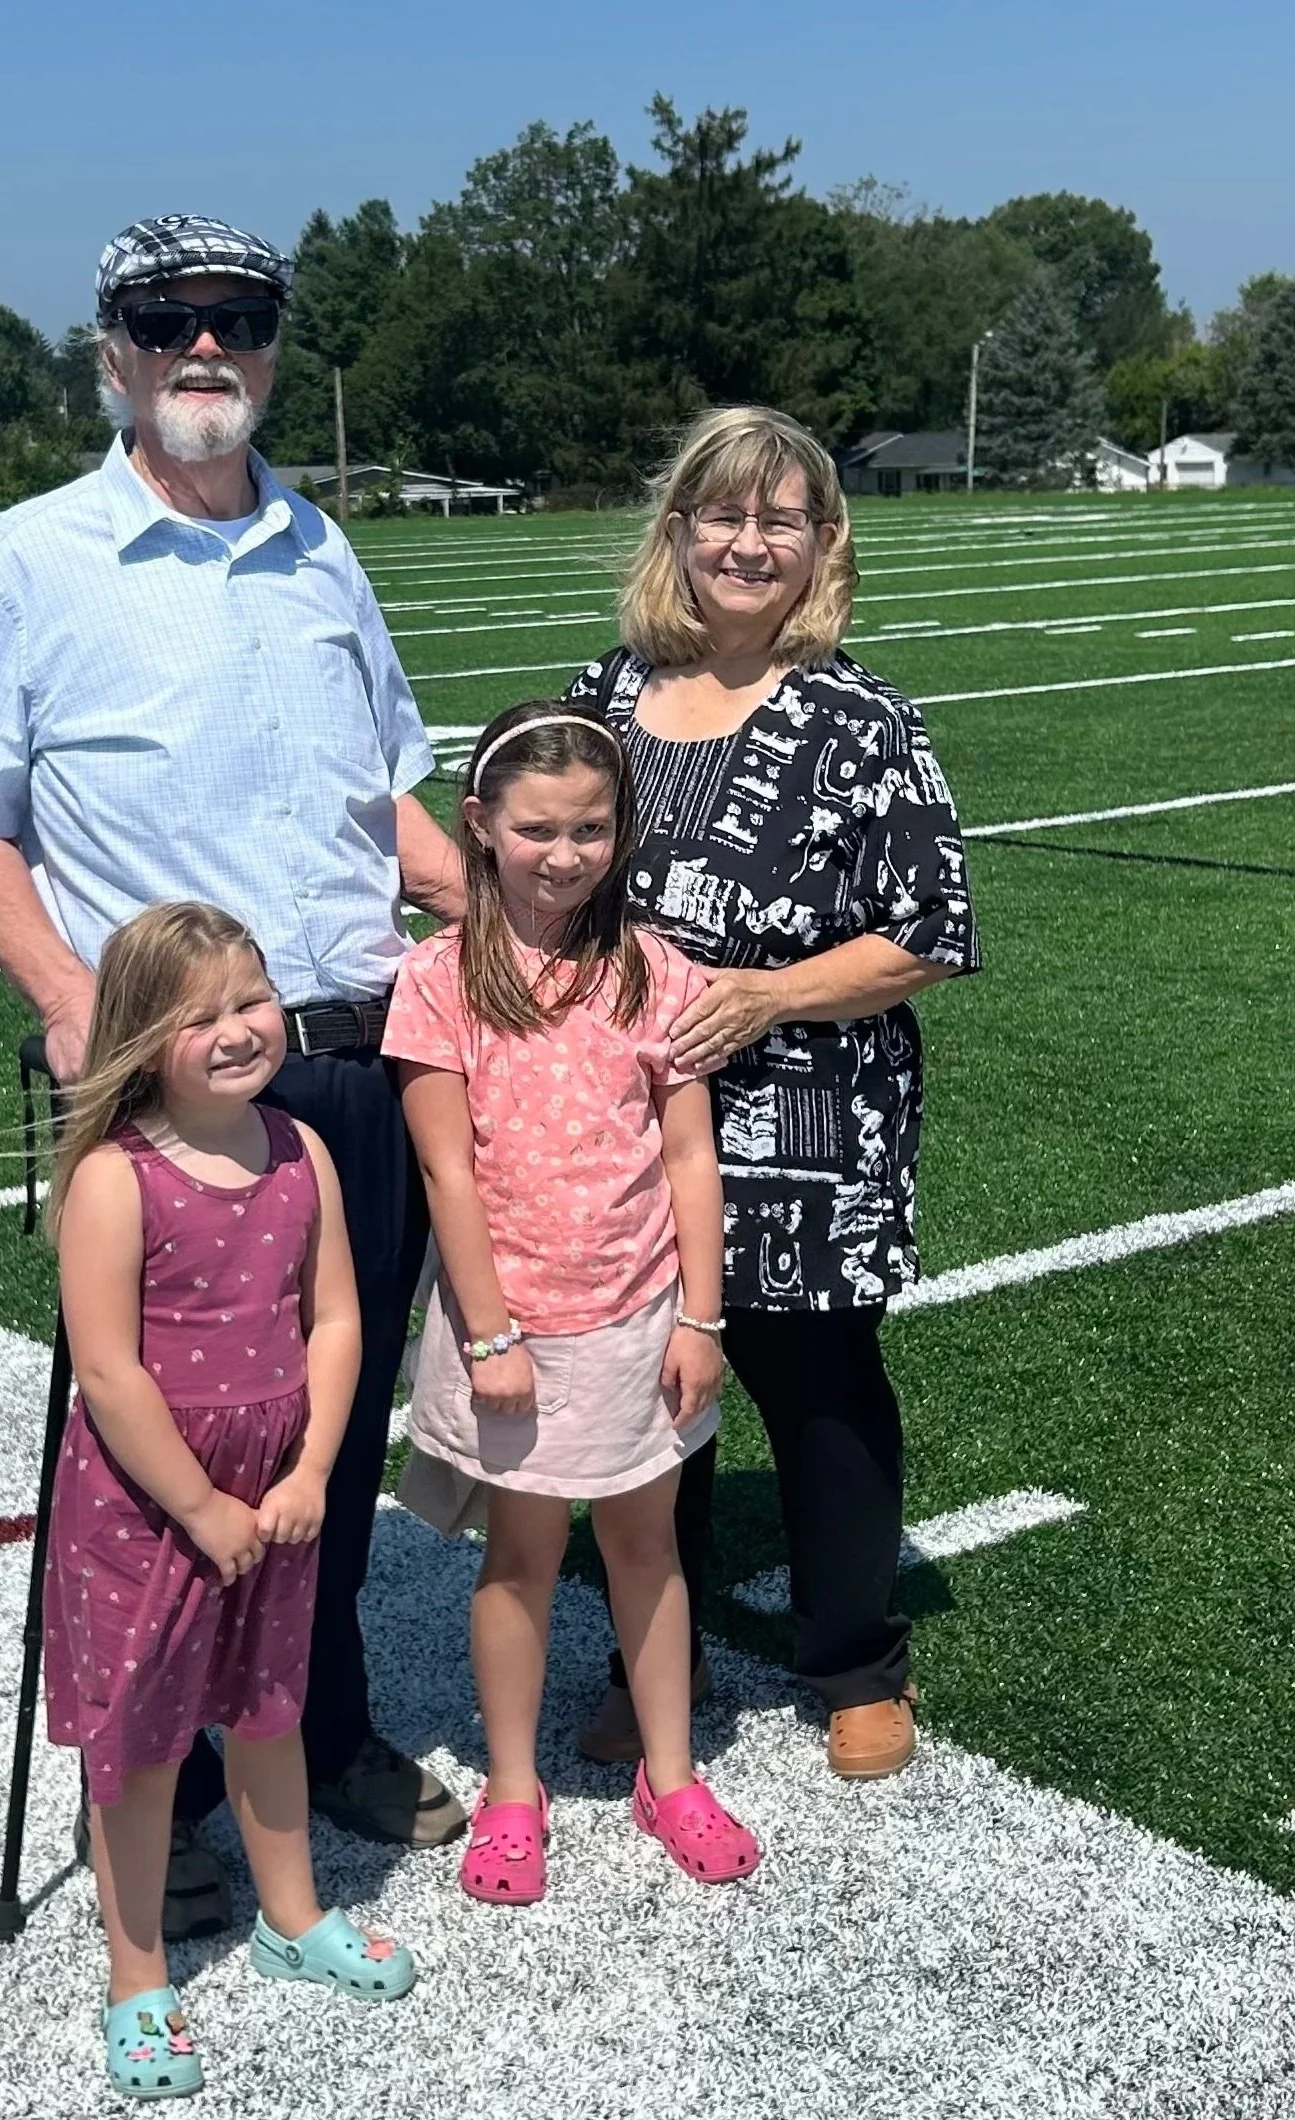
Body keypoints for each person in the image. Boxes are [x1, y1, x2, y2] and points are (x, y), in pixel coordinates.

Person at [0, 212, 469, 1938]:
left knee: (332, 1426)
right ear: (114, 348)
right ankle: (174, 1784)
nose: (205, 347)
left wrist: (523, 929)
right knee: (154, 1463)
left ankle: (322, 1721)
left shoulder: (321, 549)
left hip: (352, 1065)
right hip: (170, 1096)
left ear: (275, 345)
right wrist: (73, 1001)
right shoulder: (34, 554)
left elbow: (392, 810)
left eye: (238, 319)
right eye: (169, 320)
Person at [563, 405, 979, 1782]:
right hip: (624, 1120)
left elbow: (930, 927)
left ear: (821, 545)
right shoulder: (607, 694)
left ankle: (855, 1657)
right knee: (647, 1397)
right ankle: (651, 1657)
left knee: (815, 1384)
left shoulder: (866, 719)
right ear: (675, 531)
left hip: (809, 1111)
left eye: (779, 520)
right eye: (722, 514)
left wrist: (774, 992)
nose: (748, 542)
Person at [382, 702, 761, 1899]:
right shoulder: (436, 978)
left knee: (647, 1549)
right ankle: (509, 1786)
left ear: (621, 831)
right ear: (481, 826)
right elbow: (447, 1169)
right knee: (521, 1556)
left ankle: (669, 1770)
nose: (564, 852)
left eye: (591, 827)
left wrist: (701, 1316)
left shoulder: (655, 970)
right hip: (511, 1330)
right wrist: (489, 1334)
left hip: (640, 1318)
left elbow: (688, 1157)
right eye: (538, 827)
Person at [48, 901, 416, 2101]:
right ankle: (135, 1971)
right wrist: (201, 1505)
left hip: (277, 1485)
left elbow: (340, 1318)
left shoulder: (298, 1146)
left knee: (269, 1706)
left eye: (248, 1001)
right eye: (195, 1014)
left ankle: (290, 1912)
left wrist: (311, 1468)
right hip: (153, 1503)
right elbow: (106, 1370)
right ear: (139, 1036)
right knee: (142, 1743)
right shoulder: (115, 1176)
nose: (233, 1029)